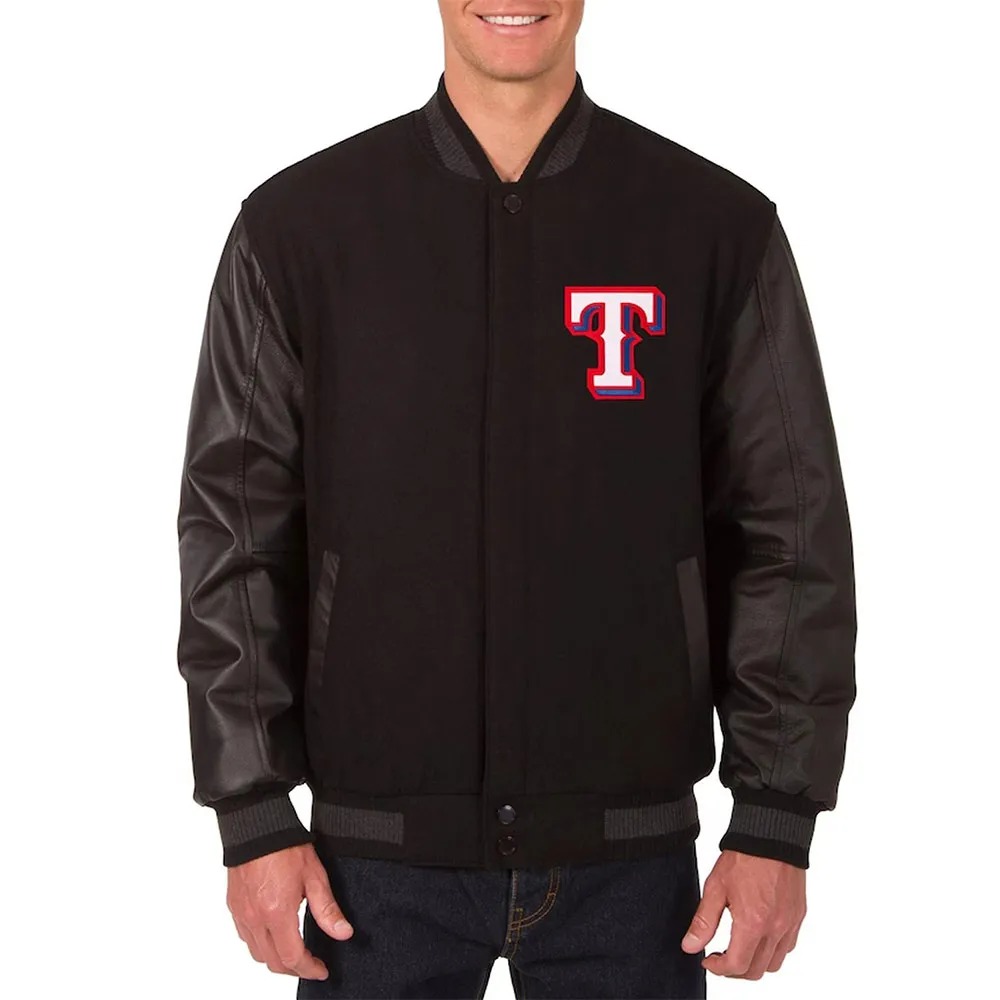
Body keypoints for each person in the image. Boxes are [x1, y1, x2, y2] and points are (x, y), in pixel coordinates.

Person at [175, 2, 857, 997]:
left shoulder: (713, 226)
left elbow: (788, 533)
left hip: (631, 873)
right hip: (370, 870)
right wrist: (252, 812)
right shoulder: (299, 231)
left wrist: (775, 819)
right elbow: (235, 532)